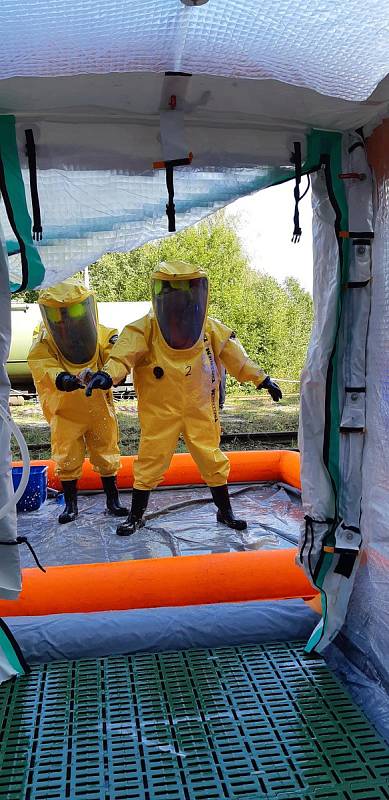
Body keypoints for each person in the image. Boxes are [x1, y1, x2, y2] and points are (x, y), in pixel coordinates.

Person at [82, 261, 282, 536]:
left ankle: (225, 513)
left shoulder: (212, 330)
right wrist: (107, 375)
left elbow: (238, 359)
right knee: (151, 460)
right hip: (160, 411)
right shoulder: (144, 330)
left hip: (200, 409)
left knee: (211, 459)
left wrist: (262, 379)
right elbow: (122, 357)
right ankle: (136, 516)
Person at [28, 278, 128, 524]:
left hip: (99, 408)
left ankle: (112, 501)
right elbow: (41, 364)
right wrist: (63, 378)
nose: (66, 320)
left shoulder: (104, 333)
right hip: (65, 411)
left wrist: (108, 376)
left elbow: (118, 355)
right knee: (67, 456)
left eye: (72, 311)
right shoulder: (44, 339)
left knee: (106, 452)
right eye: (59, 314)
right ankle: (71, 505)